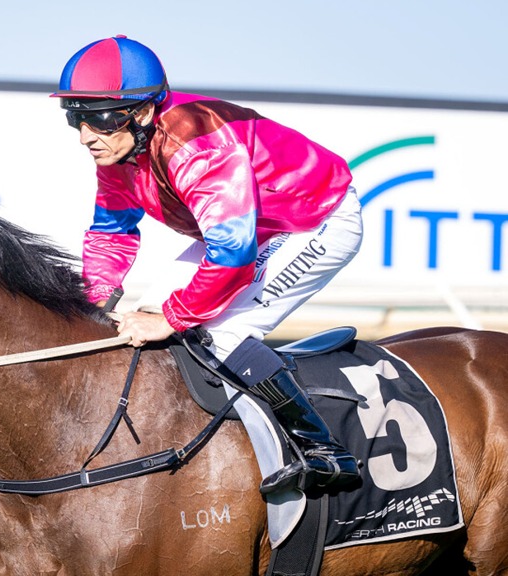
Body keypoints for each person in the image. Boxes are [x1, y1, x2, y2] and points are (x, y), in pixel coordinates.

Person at [51, 35, 363, 495]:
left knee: (215, 331)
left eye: (98, 118)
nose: (85, 136)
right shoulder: (121, 149)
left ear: (142, 111)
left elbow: (233, 257)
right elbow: (111, 234)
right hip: (248, 229)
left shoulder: (195, 144)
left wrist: (172, 319)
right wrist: (93, 304)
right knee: (139, 319)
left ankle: (322, 451)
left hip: (313, 222)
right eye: (76, 117)